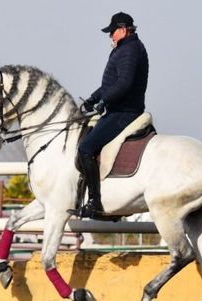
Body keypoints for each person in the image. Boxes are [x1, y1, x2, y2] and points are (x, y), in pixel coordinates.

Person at [70, 11, 149, 219]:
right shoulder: (125, 48)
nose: (110, 36)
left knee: (86, 149)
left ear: (123, 30)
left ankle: (95, 203)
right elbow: (110, 84)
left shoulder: (129, 50)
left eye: (112, 32)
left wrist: (105, 101)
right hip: (119, 108)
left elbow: (124, 84)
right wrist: (93, 98)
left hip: (124, 112)